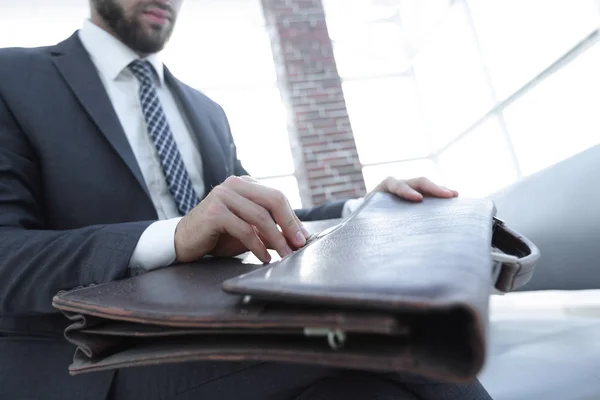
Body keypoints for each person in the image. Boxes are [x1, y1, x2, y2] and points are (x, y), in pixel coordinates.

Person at [0, 0, 492, 399]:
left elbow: (255, 213)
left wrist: (363, 208)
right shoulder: (13, 77)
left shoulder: (205, 110)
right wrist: (176, 236)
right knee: (405, 345)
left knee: (366, 386)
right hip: (85, 360)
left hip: (216, 329)